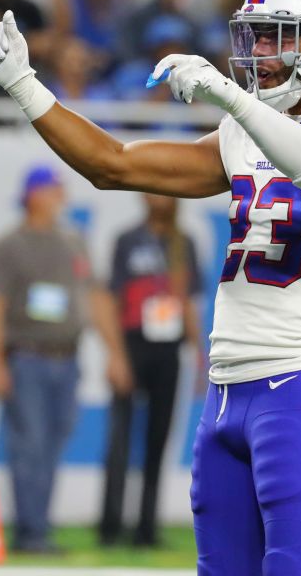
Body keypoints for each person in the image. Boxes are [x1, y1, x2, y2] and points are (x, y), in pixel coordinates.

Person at [0, 0, 301, 574]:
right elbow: (116, 165)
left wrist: (231, 101)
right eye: (258, 33)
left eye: (279, 34)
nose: (261, 50)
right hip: (225, 390)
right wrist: (27, 87)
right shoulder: (250, 129)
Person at [0, 165, 133, 554]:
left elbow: (96, 299)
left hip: (67, 358)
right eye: (54, 189)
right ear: (33, 194)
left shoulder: (72, 242)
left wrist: (115, 354)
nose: (61, 196)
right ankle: (31, 532)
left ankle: (38, 527)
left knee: (50, 445)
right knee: (28, 444)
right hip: (26, 358)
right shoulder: (9, 245)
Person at [99, 193, 204, 548]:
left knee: (157, 441)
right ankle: (110, 526)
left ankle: (146, 527)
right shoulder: (127, 241)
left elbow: (188, 301)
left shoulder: (183, 244)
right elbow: (111, 299)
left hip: (168, 350)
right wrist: (116, 355)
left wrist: (199, 354)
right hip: (133, 345)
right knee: (120, 441)